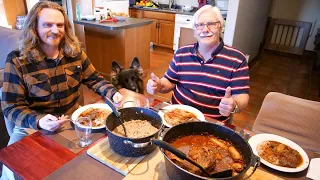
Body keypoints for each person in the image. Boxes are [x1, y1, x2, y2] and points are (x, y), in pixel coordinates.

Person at [1, 1, 122, 179]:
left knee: (95, 167)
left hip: (74, 123)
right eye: (47, 25)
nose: (55, 30)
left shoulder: (75, 53)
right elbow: (10, 106)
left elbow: (94, 79)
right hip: (32, 129)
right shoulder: (17, 60)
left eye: (60, 25)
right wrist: (40, 121)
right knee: (13, 170)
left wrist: (113, 93)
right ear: (34, 27)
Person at [147, 5, 249, 122]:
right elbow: (170, 81)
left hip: (211, 124)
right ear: (195, 31)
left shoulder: (237, 59)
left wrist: (234, 105)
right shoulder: (181, 53)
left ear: (220, 28)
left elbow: (242, 95)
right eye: (200, 25)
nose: (205, 29)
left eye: (211, 24)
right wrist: (159, 85)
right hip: (176, 118)